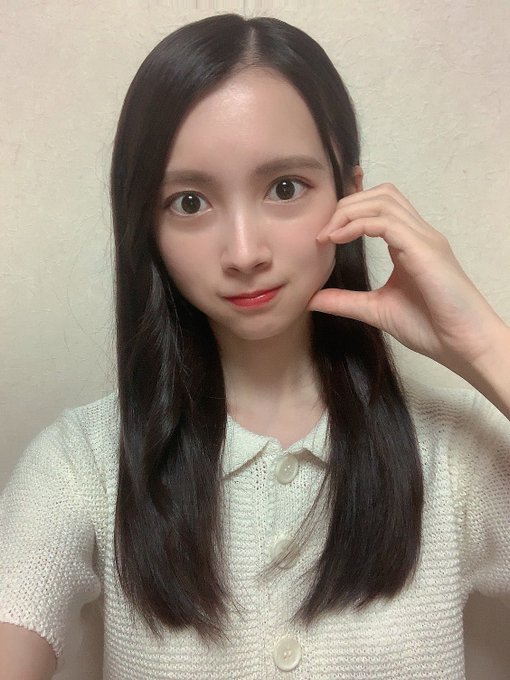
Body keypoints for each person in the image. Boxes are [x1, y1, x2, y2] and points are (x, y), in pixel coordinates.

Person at [1, 13, 509, 680]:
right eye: (189, 202)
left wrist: (483, 345)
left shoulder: (458, 456)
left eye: (285, 188)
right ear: (147, 226)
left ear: (352, 196)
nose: (244, 253)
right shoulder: (83, 463)